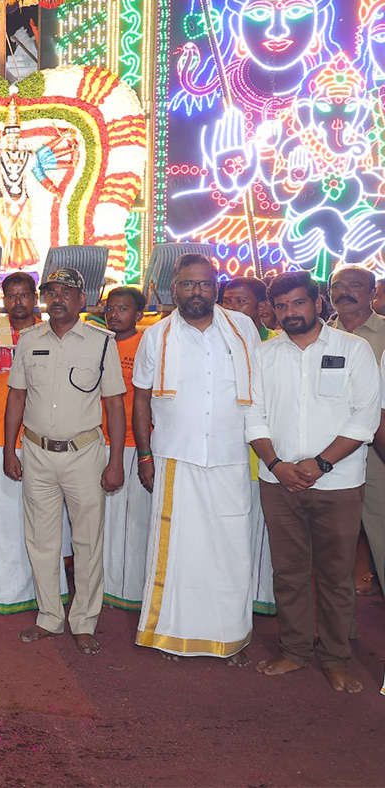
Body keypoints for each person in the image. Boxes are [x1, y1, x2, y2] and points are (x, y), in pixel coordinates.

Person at [247, 271, 379, 694]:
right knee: (288, 573)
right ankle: (295, 650)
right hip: (279, 481)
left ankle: (336, 658)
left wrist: (320, 464)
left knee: (336, 576)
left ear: (318, 303)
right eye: (282, 306)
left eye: (298, 303)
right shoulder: (264, 355)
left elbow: (365, 417)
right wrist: (276, 463)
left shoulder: (354, 350)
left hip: (338, 483)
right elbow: (253, 415)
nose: (290, 313)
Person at [131, 255, 260, 663]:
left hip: (230, 457)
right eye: (188, 284)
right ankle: (172, 633)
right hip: (176, 457)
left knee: (231, 548)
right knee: (178, 550)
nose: (196, 292)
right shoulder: (158, 334)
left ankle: (231, 636)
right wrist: (145, 454)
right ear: (174, 288)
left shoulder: (242, 329)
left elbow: (260, 391)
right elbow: (141, 397)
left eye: (204, 284)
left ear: (216, 286)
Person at [4, 268, 125, 654]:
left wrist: (116, 460)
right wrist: (10, 449)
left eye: (66, 292)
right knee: (41, 540)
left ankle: (84, 620)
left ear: (82, 299)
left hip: (85, 454)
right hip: (37, 452)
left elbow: (114, 405)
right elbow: (17, 398)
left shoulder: (101, 342)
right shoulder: (28, 340)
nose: (57, 298)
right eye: (51, 292)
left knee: (87, 541)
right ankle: (49, 617)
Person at [0, 272, 66, 613]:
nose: (19, 302)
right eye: (12, 296)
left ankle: (48, 593)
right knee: (0, 518)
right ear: (3, 299)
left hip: (44, 436)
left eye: (25, 295)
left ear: (34, 298)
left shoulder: (51, 331)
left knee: (44, 519)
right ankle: (6, 593)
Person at [327, 266, 385, 602]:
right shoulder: (318, 335)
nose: (345, 292)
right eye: (338, 286)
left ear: (372, 291)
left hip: (377, 452)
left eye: (355, 286)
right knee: (334, 547)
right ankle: (340, 633)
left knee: (381, 535)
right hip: (332, 456)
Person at [221, 275, 276, 614]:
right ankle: (232, 598)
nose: (229, 308)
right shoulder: (218, 341)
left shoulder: (275, 345)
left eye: (239, 301)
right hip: (227, 452)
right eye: (226, 300)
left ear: (263, 309)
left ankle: (261, 598)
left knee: (263, 534)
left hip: (267, 455)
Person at [99, 287, 151, 611]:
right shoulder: (97, 342)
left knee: (132, 521)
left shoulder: (146, 345)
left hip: (132, 443)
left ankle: (130, 589)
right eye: (111, 308)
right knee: (104, 520)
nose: (115, 314)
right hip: (96, 441)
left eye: (123, 309)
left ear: (138, 315)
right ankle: (103, 584)